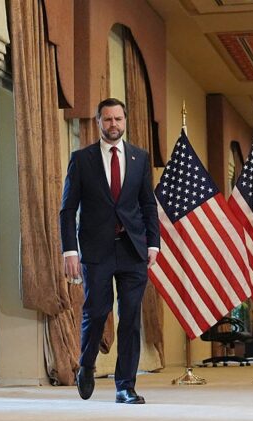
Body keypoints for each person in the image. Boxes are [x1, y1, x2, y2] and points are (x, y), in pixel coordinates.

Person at [60, 98, 160, 404]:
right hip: (97, 250)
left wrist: (153, 243)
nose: (113, 124)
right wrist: (69, 251)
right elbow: (68, 209)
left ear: (125, 121)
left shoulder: (139, 158)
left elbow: (147, 204)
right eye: (107, 119)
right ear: (98, 122)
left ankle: (125, 386)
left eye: (118, 119)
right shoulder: (82, 160)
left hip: (132, 249)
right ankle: (87, 364)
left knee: (130, 317)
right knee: (97, 311)